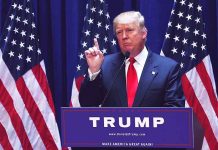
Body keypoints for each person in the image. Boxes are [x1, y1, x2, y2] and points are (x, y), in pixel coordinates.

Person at [79, 11, 185, 107]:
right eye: (119, 32)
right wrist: (94, 70)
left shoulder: (167, 68)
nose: (124, 36)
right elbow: (87, 104)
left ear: (144, 33)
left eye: (129, 30)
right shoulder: (104, 64)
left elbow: (174, 111)